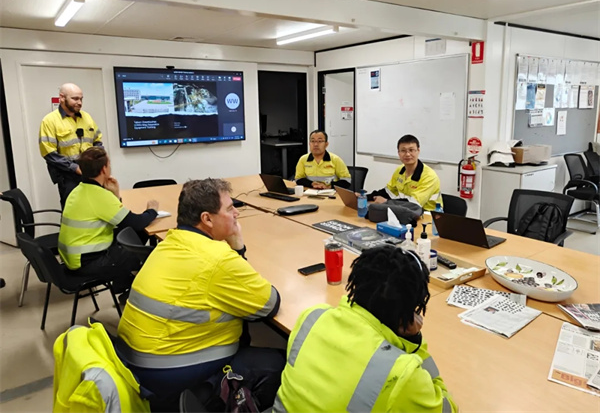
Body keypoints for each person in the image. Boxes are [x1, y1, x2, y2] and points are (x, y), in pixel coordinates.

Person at [117, 178, 284, 410]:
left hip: (137, 360)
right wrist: (238, 247)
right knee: (280, 363)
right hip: (166, 374)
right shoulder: (217, 258)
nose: (236, 213)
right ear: (207, 219)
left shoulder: (171, 240)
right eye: (230, 208)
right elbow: (269, 303)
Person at [272, 246, 457, 412]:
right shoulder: (402, 374)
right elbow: (446, 409)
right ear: (408, 315)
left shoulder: (312, 317)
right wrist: (414, 341)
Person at [58, 147, 158, 295]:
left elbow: (119, 218)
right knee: (150, 253)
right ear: (104, 169)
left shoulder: (78, 190)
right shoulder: (98, 195)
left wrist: (115, 195)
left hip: (74, 259)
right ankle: (131, 292)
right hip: (88, 264)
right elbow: (136, 222)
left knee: (134, 236)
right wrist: (152, 211)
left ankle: (122, 285)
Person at [39, 83, 103, 208]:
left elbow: (97, 142)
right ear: (62, 98)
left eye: (81, 99)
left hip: (90, 173)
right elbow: (49, 153)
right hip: (68, 177)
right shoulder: (49, 121)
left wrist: (99, 162)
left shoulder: (87, 117)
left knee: (93, 209)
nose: (79, 102)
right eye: (75, 99)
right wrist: (75, 167)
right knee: (73, 211)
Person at [367, 134, 442, 211]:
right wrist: (365, 197)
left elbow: (414, 204)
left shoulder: (429, 176)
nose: (407, 154)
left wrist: (386, 202)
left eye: (411, 150)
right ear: (398, 153)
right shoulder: (400, 170)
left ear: (418, 151)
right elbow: (388, 192)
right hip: (406, 210)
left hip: (428, 214)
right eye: (403, 151)